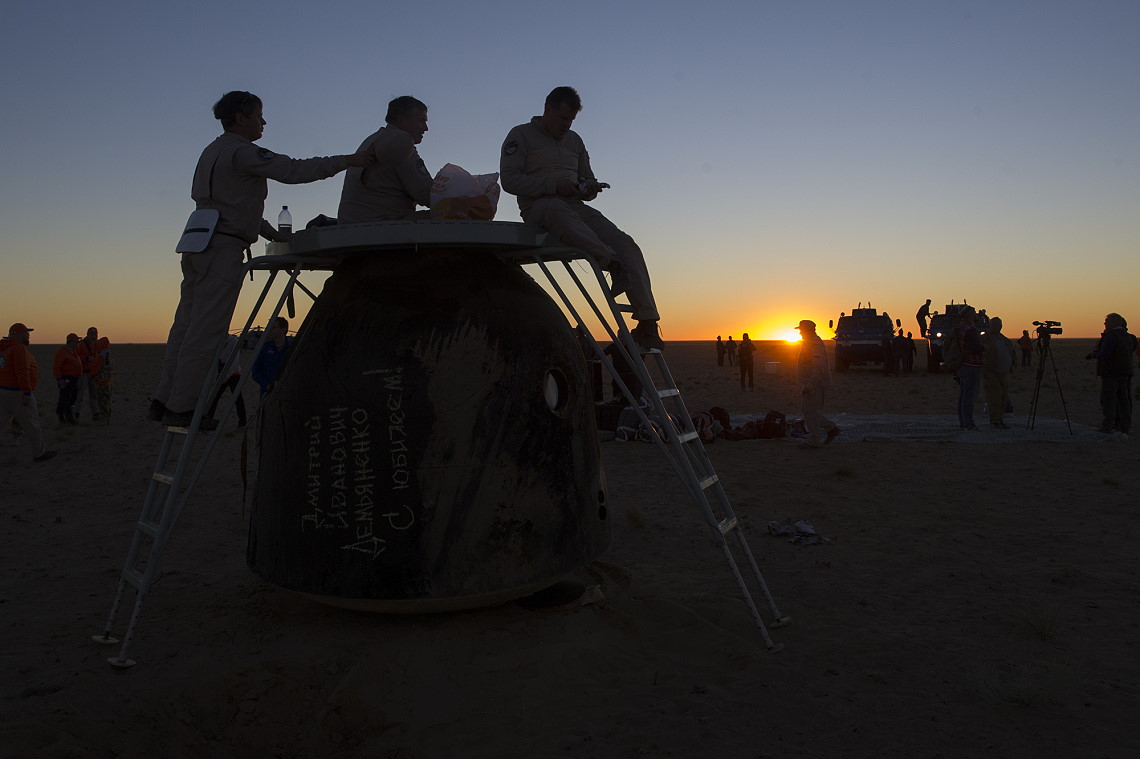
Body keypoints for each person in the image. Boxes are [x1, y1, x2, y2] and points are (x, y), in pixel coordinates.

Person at [151, 91, 373, 429]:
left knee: (185, 326)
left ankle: (164, 400)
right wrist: (347, 160)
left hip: (199, 243)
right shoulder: (243, 152)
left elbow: (228, 204)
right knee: (207, 331)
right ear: (241, 118)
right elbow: (293, 170)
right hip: (222, 247)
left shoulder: (212, 151)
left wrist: (269, 232)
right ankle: (183, 407)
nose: (264, 122)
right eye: (258, 116)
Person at [500, 86, 664, 351]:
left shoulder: (575, 141)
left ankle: (647, 323)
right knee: (556, 209)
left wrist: (589, 188)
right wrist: (554, 185)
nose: (567, 125)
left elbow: (585, 177)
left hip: (575, 207)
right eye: (563, 118)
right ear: (548, 110)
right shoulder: (520, 135)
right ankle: (611, 262)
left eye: (572, 120)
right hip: (539, 208)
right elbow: (509, 180)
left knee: (627, 244)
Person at [338, 96, 434, 223]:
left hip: (355, 225)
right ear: (402, 120)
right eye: (421, 121)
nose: (426, 128)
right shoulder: (399, 142)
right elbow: (427, 194)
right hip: (382, 225)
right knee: (454, 215)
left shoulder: (373, 140)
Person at [0, 323, 57, 462]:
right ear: (16, 335)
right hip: (17, 393)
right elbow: (22, 371)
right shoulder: (18, 348)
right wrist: (26, 392)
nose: (28, 335)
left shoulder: (4, 349)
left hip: (4, 391)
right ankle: (39, 453)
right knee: (32, 424)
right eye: (25, 332)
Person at [795, 320, 839, 448]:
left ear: (807, 331)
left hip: (815, 384)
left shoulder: (814, 345)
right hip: (811, 383)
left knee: (811, 412)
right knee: (810, 412)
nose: (800, 333)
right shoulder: (809, 343)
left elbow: (818, 367)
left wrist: (811, 384)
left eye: (801, 330)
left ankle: (814, 440)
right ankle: (831, 429)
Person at [1092, 313, 1135, 434]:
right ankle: (1125, 426)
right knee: (1123, 400)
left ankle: (1107, 427)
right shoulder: (1127, 336)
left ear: (1113, 322)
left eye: (1107, 321)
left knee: (1109, 400)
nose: (1105, 323)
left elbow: (1105, 354)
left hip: (1111, 373)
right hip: (1125, 372)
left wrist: (1094, 355)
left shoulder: (1111, 336)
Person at [953, 306, 985, 430]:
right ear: (970, 315)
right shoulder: (970, 329)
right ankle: (969, 424)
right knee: (969, 397)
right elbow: (973, 348)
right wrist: (984, 347)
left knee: (964, 395)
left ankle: (963, 422)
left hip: (963, 365)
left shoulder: (961, 327)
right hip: (972, 365)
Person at [981, 316, 1016, 429]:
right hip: (991, 372)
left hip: (1004, 373)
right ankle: (995, 420)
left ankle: (1000, 419)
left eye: (998, 324)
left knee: (1003, 398)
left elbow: (1012, 353)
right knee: (995, 397)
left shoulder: (1005, 340)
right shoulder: (985, 339)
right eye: (994, 324)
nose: (996, 327)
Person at [205, 333, 247, 427]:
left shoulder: (233, 341)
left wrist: (226, 376)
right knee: (214, 397)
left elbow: (234, 361)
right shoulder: (219, 341)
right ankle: (208, 418)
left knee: (237, 398)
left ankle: (242, 422)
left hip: (233, 374)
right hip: (222, 372)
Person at [76, 326, 112, 421]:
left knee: (94, 394)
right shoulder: (81, 344)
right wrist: (86, 358)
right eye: (92, 334)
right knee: (80, 395)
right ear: (87, 334)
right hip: (83, 373)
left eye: (95, 334)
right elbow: (75, 357)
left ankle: (95, 413)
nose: (94, 336)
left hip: (93, 374)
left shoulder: (96, 345)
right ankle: (77, 413)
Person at [252, 317, 293, 397]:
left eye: (273, 327)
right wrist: (267, 385)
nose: (269, 330)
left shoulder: (292, 348)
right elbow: (256, 372)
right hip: (267, 393)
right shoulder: (264, 348)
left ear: (283, 330)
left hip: (287, 394)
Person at [52, 333, 82, 425]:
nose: (78, 343)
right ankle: (61, 416)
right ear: (71, 342)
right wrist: (60, 379)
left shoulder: (73, 352)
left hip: (74, 379)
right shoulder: (62, 352)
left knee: (72, 398)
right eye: (76, 341)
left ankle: (69, 415)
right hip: (66, 379)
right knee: (65, 398)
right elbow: (56, 366)